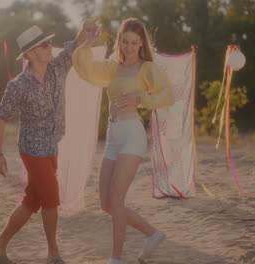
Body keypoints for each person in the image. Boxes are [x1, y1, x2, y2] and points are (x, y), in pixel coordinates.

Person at [72, 18, 175, 264]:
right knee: (106, 203)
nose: (129, 47)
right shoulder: (112, 67)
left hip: (132, 135)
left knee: (116, 199)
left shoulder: (146, 68)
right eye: (125, 41)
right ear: (119, 40)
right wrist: (87, 42)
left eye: (134, 43)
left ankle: (115, 259)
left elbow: (168, 94)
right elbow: (85, 69)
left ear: (141, 44)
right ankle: (152, 233)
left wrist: (140, 98)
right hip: (112, 136)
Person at [0, 24, 87, 264]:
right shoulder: (18, 85)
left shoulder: (58, 68)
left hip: (52, 145)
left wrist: (87, 30)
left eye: (49, 43)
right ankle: (53, 253)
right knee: (51, 198)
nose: (50, 47)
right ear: (30, 54)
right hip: (32, 149)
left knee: (33, 200)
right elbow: (0, 117)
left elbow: (76, 43)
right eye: (44, 45)